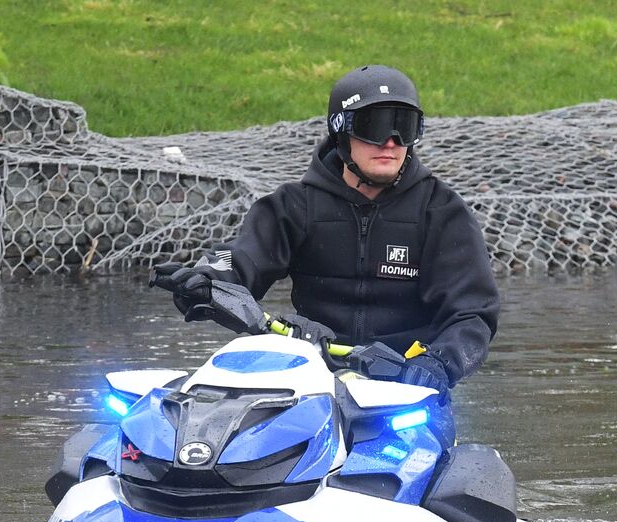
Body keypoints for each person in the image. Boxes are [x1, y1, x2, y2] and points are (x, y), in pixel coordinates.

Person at [151, 65, 499, 395]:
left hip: (406, 385)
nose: (390, 142)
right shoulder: (294, 205)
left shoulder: (442, 211)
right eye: (375, 126)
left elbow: (472, 314)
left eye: (403, 126)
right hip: (312, 378)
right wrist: (205, 279)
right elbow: (240, 259)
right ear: (341, 131)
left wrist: (438, 363)